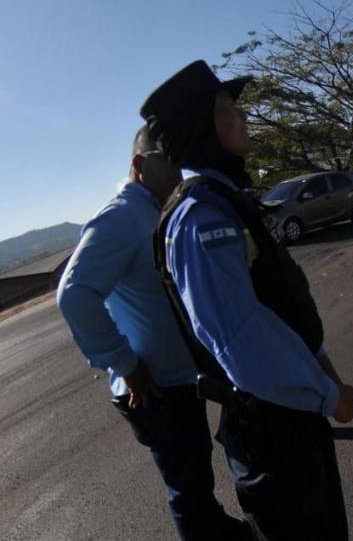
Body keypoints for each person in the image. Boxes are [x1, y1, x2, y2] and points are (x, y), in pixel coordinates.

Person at [141, 60, 353, 540]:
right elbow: (240, 338)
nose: (242, 117)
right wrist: (329, 396)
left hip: (287, 414)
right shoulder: (201, 216)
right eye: (227, 108)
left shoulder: (225, 198)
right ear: (200, 125)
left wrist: (326, 371)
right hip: (271, 425)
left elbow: (282, 299)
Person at [57, 127, 250, 541]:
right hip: (156, 389)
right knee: (188, 489)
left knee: (196, 476)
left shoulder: (158, 211)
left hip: (182, 379)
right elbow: (74, 295)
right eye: (169, 161)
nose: (179, 171)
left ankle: (216, 528)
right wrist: (125, 364)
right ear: (140, 165)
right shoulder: (121, 217)